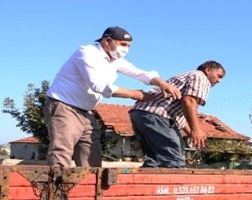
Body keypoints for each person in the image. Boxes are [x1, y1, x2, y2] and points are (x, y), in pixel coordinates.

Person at [45, 26, 181, 167]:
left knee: (91, 156)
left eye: (128, 46)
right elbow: (98, 85)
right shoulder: (87, 52)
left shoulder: (115, 60)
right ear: (107, 41)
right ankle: (56, 188)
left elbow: (139, 73)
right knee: (61, 152)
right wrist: (135, 94)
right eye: (123, 44)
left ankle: (90, 187)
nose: (126, 49)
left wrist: (162, 83)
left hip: (86, 111)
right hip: (65, 106)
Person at [129, 61, 225, 168]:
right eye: (219, 76)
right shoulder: (200, 76)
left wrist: (192, 134)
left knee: (156, 159)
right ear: (207, 70)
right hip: (157, 115)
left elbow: (181, 117)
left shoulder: (189, 76)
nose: (219, 81)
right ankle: (176, 183)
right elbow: (189, 101)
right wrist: (196, 129)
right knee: (173, 160)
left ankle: (151, 182)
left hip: (141, 113)